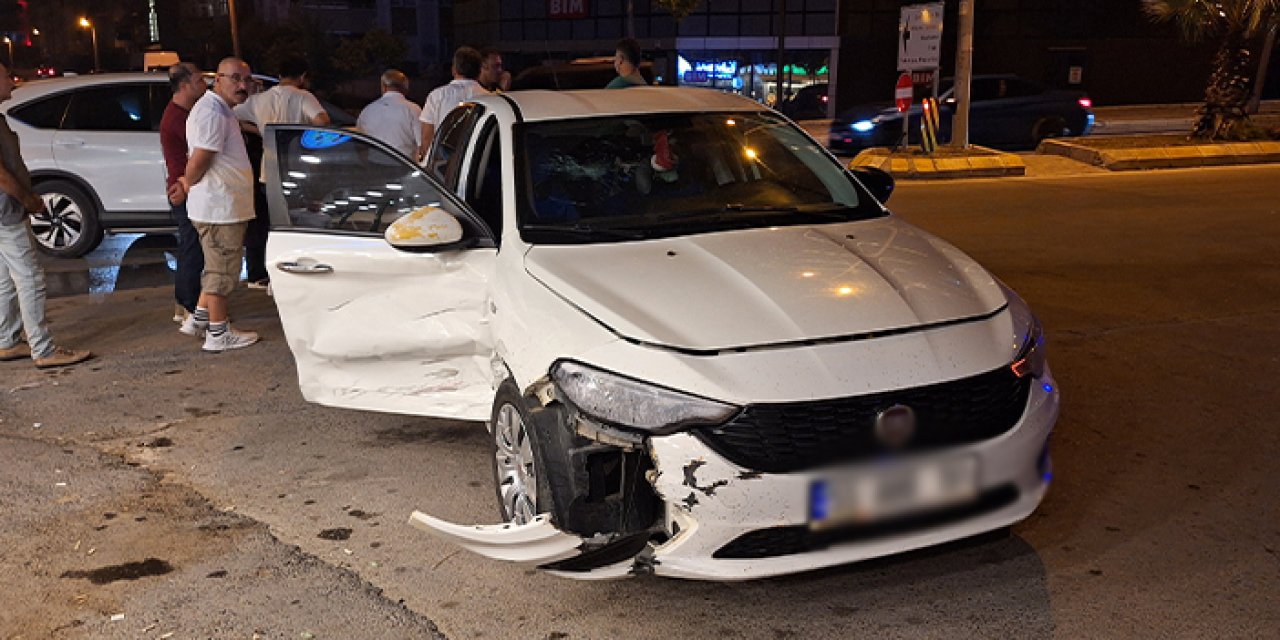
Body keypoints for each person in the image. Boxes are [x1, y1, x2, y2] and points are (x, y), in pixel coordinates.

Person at [0, 62, 92, 368]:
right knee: (30, 278)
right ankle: (43, 349)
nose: (11, 83)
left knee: (5, 280)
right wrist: (28, 200)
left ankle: (8, 340)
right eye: (4, 77)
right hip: (6, 211)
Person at [168, 57, 259, 353]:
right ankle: (218, 333)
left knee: (215, 265)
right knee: (222, 270)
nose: (242, 85)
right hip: (221, 207)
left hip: (221, 205)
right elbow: (200, 159)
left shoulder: (218, 109)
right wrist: (185, 182)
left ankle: (198, 318)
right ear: (216, 80)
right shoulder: (212, 112)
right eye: (235, 78)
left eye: (246, 80)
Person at [234, 55, 329, 290]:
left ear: (278, 76)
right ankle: (291, 271)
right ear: (303, 77)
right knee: (294, 222)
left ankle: (268, 273)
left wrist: (260, 131)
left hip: (268, 171)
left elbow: (232, 116)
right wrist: (301, 136)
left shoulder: (259, 99)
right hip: (296, 169)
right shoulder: (303, 96)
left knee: (270, 223)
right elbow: (322, 121)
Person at [160, 62, 207, 335]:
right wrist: (186, 184)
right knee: (193, 247)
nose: (204, 86)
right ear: (185, 85)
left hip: (185, 186)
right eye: (200, 80)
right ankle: (190, 304)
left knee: (192, 246)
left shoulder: (185, 113)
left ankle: (185, 302)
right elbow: (197, 156)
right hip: (184, 188)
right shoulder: (179, 118)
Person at [418, 46, 489, 161]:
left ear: (454, 70)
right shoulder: (490, 97)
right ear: (479, 71)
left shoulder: (437, 96)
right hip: (477, 164)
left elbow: (427, 138)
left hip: (442, 165)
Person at [357, 69, 422, 159]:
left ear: (383, 86)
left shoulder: (368, 110)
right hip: (405, 164)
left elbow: (360, 144)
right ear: (405, 87)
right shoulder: (414, 109)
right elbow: (422, 143)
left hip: (375, 162)